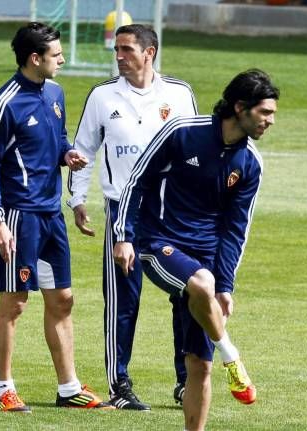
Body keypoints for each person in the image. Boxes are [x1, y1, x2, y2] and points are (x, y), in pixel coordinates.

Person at [113, 69, 280, 430]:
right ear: (240, 107)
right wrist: (123, 235)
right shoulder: (182, 133)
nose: (270, 121)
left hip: (204, 259)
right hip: (158, 244)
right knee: (201, 282)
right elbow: (137, 181)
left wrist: (227, 287)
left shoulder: (250, 163)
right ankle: (232, 357)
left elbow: (236, 230)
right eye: (265, 112)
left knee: (198, 367)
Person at [0, 22, 112, 413]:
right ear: (35, 59)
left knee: (63, 300)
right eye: (56, 54)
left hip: (51, 213)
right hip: (20, 216)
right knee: (15, 302)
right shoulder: (5, 103)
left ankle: (69, 388)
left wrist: (66, 154)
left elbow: (56, 137)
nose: (63, 59)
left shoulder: (54, 92)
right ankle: (4, 389)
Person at [67, 24, 196, 410]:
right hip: (123, 212)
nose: (119, 56)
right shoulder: (103, 96)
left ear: (149, 52)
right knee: (123, 299)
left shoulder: (179, 93)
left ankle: (185, 381)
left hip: (171, 212)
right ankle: (118, 385)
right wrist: (76, 200)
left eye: (126, 49)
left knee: (187, 294)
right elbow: (83, 150)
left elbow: (193, 150)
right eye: (117, 50)